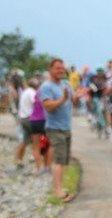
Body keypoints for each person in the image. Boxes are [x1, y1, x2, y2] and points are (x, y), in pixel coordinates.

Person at [40, 58, 81, 202]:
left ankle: (60, 187)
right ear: (50, 69)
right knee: (59, 159)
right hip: (54, 128)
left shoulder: (66, 84)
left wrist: (77, 96)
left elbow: (73, 101)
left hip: (66, 127)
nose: (60, 70)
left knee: (64, 160)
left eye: (62, 68)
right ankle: (57, 191)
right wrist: (62, 100)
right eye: (57, 68)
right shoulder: (46, 86)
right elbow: (48, 106)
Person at [15, 78, 39, 168]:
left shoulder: (25, 92)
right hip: (30, 118)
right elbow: (36, 103)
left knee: (24, 141)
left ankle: (18, 160)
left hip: (23, 118)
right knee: (37, 139)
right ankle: (35, 159)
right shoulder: (32, 92)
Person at [29, 82, 52, 174]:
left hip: (34, 121)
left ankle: (39, 167)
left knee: (36, 146)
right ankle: (47, 167)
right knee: (46, 145)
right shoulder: (49, 94)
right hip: (45, 122)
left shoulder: (37, 93)